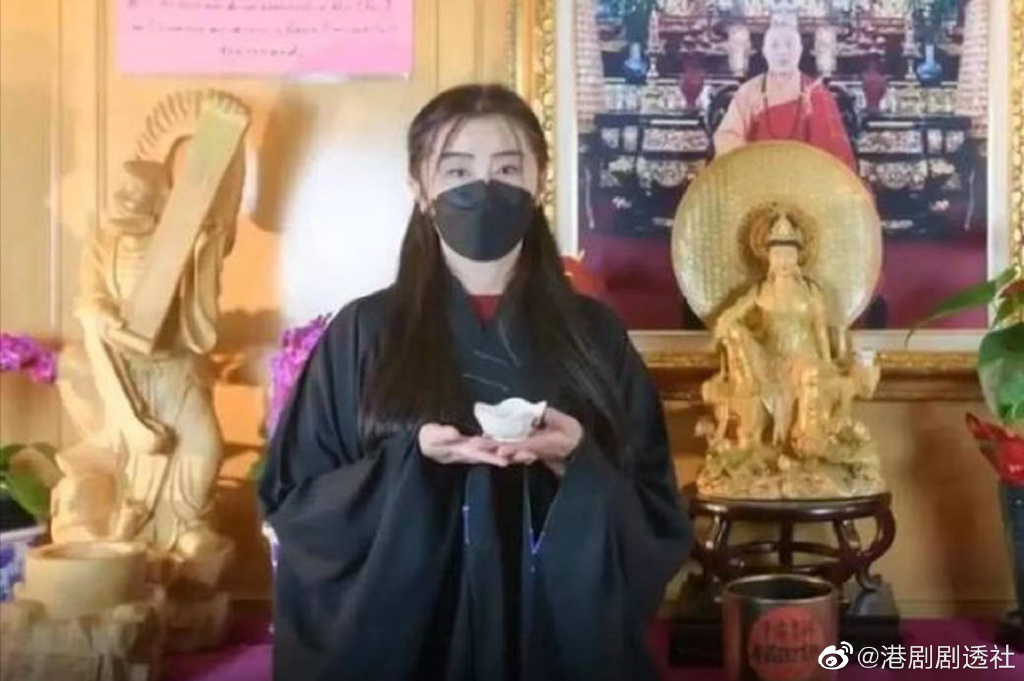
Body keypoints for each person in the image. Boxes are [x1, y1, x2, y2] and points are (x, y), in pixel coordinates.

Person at [258, 84, 692, 681]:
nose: (483, 189)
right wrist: (409, 460)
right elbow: (298, 502)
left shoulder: (593, 335)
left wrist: (576, 461)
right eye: (457, 170)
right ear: (419, 187)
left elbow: (654, 511)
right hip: (412, 651)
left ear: (539, 182)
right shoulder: (363, 332)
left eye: (507, 169)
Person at [713, 12, 856, 170]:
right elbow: (728, 137)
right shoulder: (748, 92)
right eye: (775, 45)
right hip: (757, 175)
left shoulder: (817, 94)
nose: (782, 51)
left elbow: (832, 152)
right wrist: (750, 164)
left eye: (789, 45)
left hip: (805, 177)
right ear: (765, 51)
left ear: (800, 50)